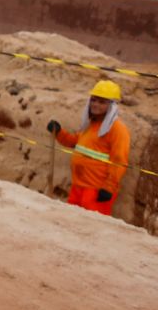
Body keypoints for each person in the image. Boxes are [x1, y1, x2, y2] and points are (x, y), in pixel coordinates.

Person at [48, 80, 130, 215]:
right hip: (78, 186)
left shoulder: (118, 129)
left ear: (111, 105)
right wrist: (58, 132)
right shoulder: (91, 124)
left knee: (90, 225)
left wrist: (109, 187)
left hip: (96, 190)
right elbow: (75, 142)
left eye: (102, 102)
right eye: (93, 100)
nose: (95, 104)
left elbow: (119, 160)